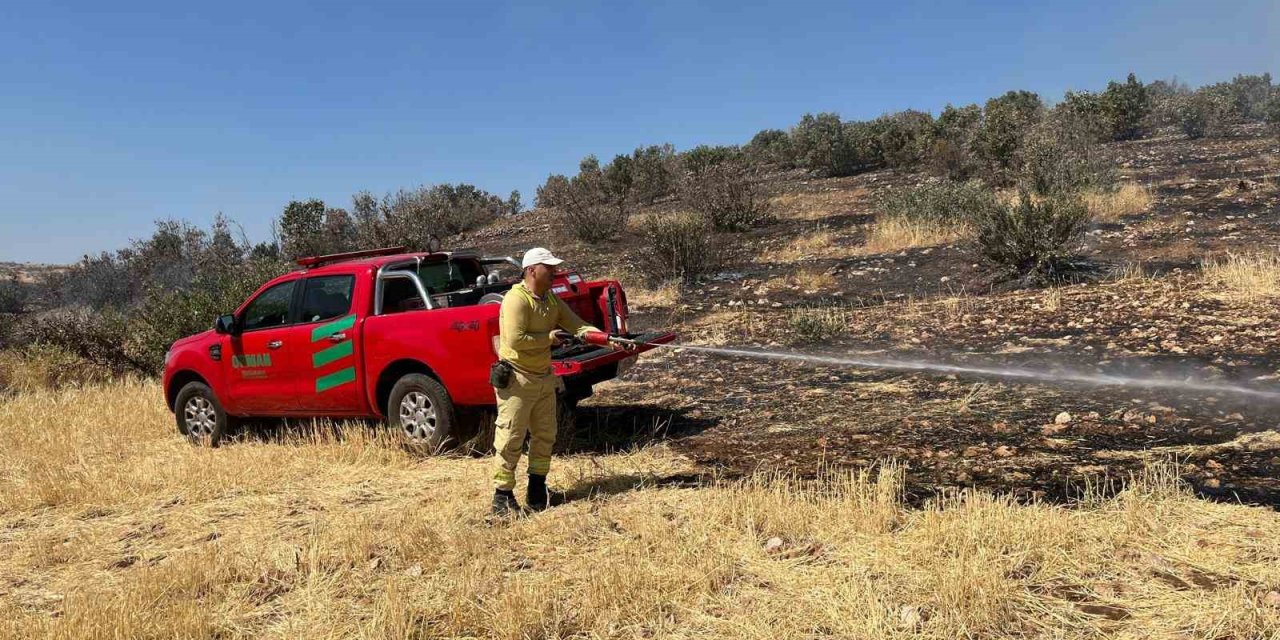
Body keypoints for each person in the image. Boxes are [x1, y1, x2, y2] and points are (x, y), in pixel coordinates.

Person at [490, 247, 618, 516]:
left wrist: (606, 339)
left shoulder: (549, 300)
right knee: (510, 437)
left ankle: (537, 491)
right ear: (531, 270)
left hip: (543, 377)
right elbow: (515, 341)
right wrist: (547, 340)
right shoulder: (516, 300)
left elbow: (576, 325)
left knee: (545, 435)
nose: (554, 273)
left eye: (554, 269)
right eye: (549, 269)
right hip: (517, 379)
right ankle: (502, 497)